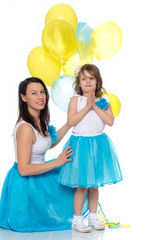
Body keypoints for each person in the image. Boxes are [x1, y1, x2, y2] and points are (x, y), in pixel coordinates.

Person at [0, 77, 88, 232]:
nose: (40, 97)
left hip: (39, 175)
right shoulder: (25, 128)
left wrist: (70, 123)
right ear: (24, 97)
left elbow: (48, 141)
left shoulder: (38, 122)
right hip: (26, 182)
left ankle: (81, 217)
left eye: (42, 92)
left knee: (78, 179)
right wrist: (57, 162)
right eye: (34, 93)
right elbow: (23, 169)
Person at [58, 64, 123, 233]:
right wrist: (87, 106)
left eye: (91, 78)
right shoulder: (76, 100)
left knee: (94, 184)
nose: (87, 81)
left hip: (98, 145)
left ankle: (93, 217)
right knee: (82, 185)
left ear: (97, 81)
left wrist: (95, 106)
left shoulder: (103, 101)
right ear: (78, 83)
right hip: (81, 145)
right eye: (84, 78)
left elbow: (109, 121)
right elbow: (71, 121)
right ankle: (77, 219)